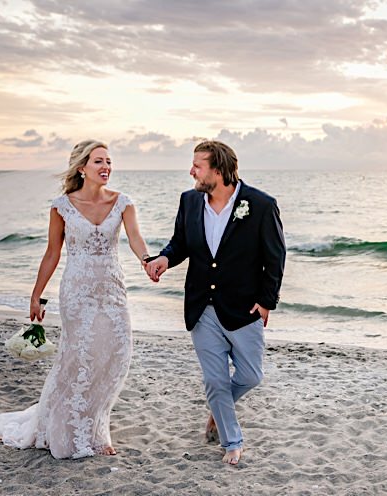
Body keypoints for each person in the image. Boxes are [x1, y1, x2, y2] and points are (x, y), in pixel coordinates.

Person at [0, 140, 150, 459]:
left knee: (115, 356)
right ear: (82, 168)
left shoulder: (124, 203)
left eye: (108, 161)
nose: (106, 167)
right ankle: (72, 429)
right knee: (78, 359)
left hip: (112, 289)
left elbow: (136, 239)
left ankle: (97, 425)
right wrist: (36, 295)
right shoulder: (61, 205)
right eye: (98, 161)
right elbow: (52, 253)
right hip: (77, 292)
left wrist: (148, 260)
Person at [145, 140, 285, 465]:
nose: (191, 171)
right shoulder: (189, 201)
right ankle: (232, 440)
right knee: (215, 380)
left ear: (219, 171)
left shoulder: (261, 205)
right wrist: (165, 259)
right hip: (201, 306)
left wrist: (266, 302)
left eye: (198, 165)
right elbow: (180, 243)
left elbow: (275, 257)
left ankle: (218, 408)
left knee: (251, 376)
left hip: (244, 307)